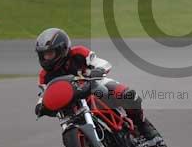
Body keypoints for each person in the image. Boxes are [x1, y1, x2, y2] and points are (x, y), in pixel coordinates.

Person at [32, 27, 160, 140]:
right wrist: (40, 105)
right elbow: (45, 93)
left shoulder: (78, 53)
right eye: (43, 55)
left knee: (128, 95)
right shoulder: (44, 76)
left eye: (50, 53)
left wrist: (98, 70)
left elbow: (102, 63)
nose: (46, 58)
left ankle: (143, 126)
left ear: (62, 49)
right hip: (72, 102)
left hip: (94, 86)